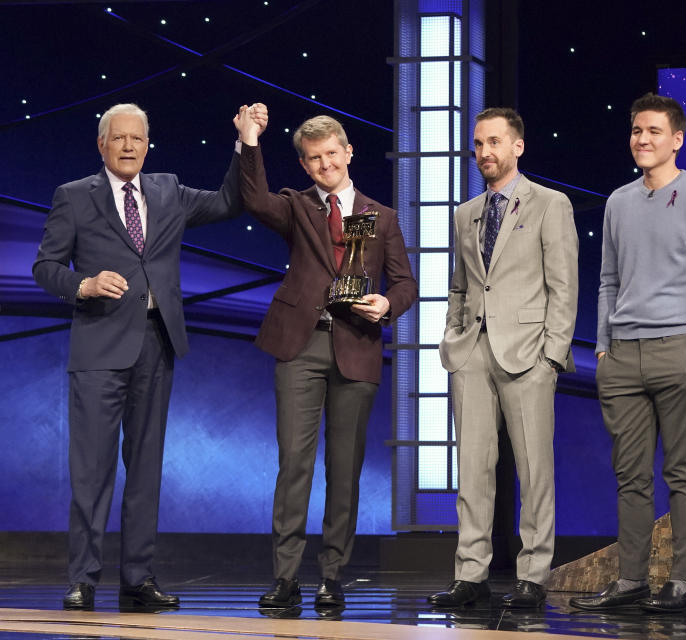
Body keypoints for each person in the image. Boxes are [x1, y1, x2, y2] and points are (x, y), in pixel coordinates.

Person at [33, 102, 253, 610]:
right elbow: (45, 266)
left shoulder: (168, 190)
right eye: (119, 138)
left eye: (137, 138)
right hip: (98, 348)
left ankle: (138, 577)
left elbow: (229, 201)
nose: (129, 146)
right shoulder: (73, 196)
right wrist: (82, 283)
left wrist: (245, 143)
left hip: (156, 344)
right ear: (102, 145)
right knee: (91, 470)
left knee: (147, 467)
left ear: (147, 144)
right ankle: (82, 579)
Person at [233, 106, 416, 609]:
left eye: (332, 153)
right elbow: (252, 198)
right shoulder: (296, 206)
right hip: (300, 345)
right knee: (294, 463)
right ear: (304, 164)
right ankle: (285, 576)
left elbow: (405, 284)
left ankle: (332, 576)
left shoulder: (380, 217)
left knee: (344, 468)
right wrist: (249, 140)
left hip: (356, 347)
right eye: (314, 159)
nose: (325, 165)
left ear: (348, 152)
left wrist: (385, 303)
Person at [569, 93, 686, 614]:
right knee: (630, 476)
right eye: (636, 130)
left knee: (683, 472)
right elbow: (608, 281)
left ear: (677, 139)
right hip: (621, 358)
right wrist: (602, 348)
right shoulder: (618, 201)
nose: (642, 139)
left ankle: (682, 583)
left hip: (678, 352)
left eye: (654, 131)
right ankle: (631, 580)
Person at [428, 107, 579, 609]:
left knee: (535, 470)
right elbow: (460, 285)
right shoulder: (465, 212)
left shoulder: (549, 204)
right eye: (478, 144)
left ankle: (533, 575)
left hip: (528, 353)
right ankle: (470, 575)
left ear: (517, 146)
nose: (484, 153)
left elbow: (564, 285)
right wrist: (453, 334)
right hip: (472, 350)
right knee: (472, 468)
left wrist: (553, 355)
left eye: (494, 142)